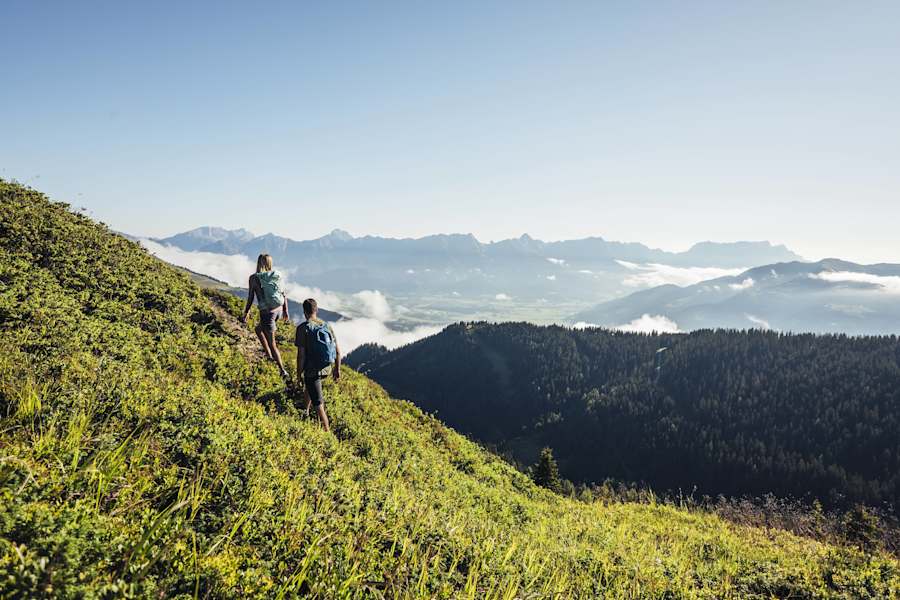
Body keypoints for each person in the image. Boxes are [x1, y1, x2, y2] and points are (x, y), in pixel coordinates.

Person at [295, 298, 341, 432]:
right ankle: (305, 410)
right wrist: (337, 370)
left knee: (318, 404)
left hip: (312, 370)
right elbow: (338, 351)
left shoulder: (303, 328)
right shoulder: (326, 326)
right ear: (317, 310)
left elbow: (301, 356)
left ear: (304, 312)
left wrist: (298, 374)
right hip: (326, 367)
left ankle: (327, 434)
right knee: (310, 387)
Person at [242, 253, 291, 379]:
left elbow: (251, 297)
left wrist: (246, 312)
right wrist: (286, 311)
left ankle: (282, 370)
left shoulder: (254, 278)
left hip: (267, 313)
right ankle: (269, 356)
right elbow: (283, 294)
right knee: (258, 329)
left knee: (272, 343)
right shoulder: (277, 275)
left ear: (259, 263)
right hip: (278, 310)